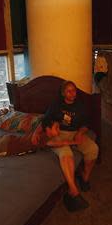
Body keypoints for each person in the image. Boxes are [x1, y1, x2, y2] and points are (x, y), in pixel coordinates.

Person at [45, 80, 99, 212]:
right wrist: (50, 129)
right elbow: (46, 119)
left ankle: (84, 178)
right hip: (60, 134)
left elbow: (86, 123)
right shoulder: (56, 104)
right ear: (63, 93)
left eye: (74, 90)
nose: (72, 93)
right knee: (66, 154)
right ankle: (73, 190)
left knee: (93, 149)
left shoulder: (81, 106)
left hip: (75, 133)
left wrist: (80, 133)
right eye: (69, 91)